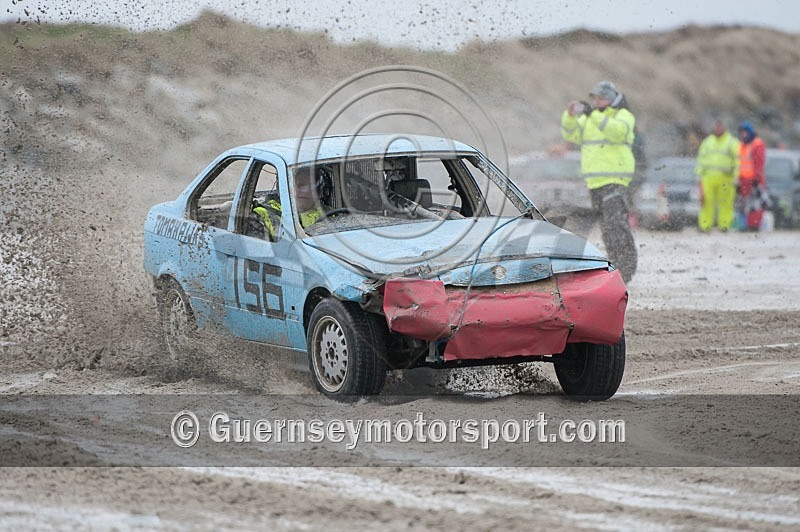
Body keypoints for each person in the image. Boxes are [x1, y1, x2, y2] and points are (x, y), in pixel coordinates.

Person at [561, 80, 638, 282]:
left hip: (615, 180)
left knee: (616, 226)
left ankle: (626, 269)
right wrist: (569, 116)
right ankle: (617, 269)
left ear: (611, 99)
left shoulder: (623, 115)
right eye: (594, 98)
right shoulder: (590, 119)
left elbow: (617, 133)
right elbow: (570, 135)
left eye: (601, 98)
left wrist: (592, 115)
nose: (596, 101)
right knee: (607, 229)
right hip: (594, 183)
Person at [253, 166, 326, 240]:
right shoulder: (261, 215)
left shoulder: (328, 213)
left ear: (318, 190)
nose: (305, 191)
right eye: (300, 185)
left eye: (311, 186)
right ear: (284, 187)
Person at [695, 118, 739, 232]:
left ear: (724, 128)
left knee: (725, 203)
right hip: (708, 178)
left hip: (726, 178)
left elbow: (738, 161)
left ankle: (724, 226)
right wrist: (699, 175)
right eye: (716, 126)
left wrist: (736, 177)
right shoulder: (707, 142)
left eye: (720, 126)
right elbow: (700, 159)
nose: (718, 129)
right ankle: (705, 226)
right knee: (706, 203)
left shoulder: (732, 142)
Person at [735, 121, 767, 230]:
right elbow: (739, 164)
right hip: (744, 181)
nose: (743, 135)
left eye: (744, 132)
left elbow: (759, 163)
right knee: (744, 204)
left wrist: (756, 179)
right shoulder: (742, 145)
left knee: (755, 204)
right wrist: (738, 181)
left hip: (754, 181)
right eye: (741, 132)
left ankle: (754, 226)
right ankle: (745, 225)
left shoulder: (757, 144)